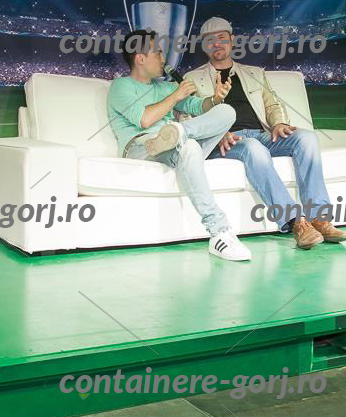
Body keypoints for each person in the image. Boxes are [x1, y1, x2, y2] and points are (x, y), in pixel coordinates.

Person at [184, 17, 346, 250]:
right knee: (254, 148)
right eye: (210, 40)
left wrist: (278, 123)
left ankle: (318, 218)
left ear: (232, 40)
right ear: (203, 45)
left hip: (261, 134)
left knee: (307, 138)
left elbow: (272, 104)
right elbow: (187, 116)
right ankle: (295, 222)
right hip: (226, 141)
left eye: (222, 38)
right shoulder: (192, 79)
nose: (217, 44)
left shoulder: (253, 73)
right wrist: (216, 134)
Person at [106, 29, 250, 262]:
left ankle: (181, 132)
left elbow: (197, 107)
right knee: (190, 147)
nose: (163, 59)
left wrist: (215, 98)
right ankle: (219, 232)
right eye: (158, 53)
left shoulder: (165, 87)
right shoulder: (121, 86)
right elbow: (144, 120)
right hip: (143, 146)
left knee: (226, 112)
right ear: (140, 58)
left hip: (177, 143)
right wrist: (175, 96)